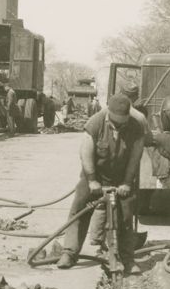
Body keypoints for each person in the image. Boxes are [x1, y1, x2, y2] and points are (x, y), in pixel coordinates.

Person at [57, 94, 145, 269]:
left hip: (122, 177)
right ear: (109, 114)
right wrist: (91, 181)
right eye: (116, 123)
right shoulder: (95, 122)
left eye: (123, 123)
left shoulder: (136, 127)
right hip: (95, 175)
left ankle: (127, 258)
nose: (119, 126)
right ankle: (70, 253)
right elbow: (86, 153)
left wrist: (127, 182)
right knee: (79, 208)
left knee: (127, 214)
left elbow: (135, 158)